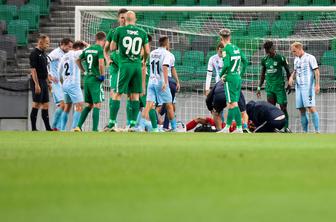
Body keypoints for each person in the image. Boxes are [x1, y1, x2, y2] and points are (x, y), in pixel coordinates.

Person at [108, 11, 150, 131]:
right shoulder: (142, 32)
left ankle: (111, 124)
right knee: (135, 95)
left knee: (117, 93)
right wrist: (144, 61)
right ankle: (132, 125)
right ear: (135, 19)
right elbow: (147, 51)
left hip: (125, 65)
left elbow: (112, 48)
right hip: (137, 65)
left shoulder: (119, 31)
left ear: (124, 19)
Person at [142, 36, 177, 132]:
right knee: (169, 105)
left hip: (151, 82)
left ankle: (146, 127)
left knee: (150, 105)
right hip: (161, 82)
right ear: (166, 43)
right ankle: (174, 128)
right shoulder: (168, 54)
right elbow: (165, 67)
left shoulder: (152, 53)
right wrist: (165, 82)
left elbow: (146, 65)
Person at [217, 28, 248, 133]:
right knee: (230, 103)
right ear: (230, 37)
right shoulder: (237, 48)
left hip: (230, 78)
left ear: (221, 38)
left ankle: (239, 127)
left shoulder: (226, 49)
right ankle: (227, 127)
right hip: (237, 77)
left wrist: (221, 75)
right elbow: (245, 61)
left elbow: (226, 65)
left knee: (233, 103)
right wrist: (241, 74)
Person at [74, 32, 106, 132]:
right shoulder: (100, 49)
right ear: (103, 40)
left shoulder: (88, 49)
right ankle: (95, 129)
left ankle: (78, 126)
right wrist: (102, 75)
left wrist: (83, 71)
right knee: (97, 104)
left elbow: (77, 60)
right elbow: (101, 64)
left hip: (87, 79)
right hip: (95, 79)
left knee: (89, 105)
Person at [257, 40, 291, 132]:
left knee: (283, 108)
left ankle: (286, 127)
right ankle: (273, 128)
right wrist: (259, 87)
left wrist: (290, 83)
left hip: (279, 88)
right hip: (270, 88)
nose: (269, 51)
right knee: (271, 109)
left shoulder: (281, 58)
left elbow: (288, 71)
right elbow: (263, 74)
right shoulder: (264, 60)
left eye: (270, 49)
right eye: (267, 50)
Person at [289, 42, 320, 133]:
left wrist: (317, 85)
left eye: (294, 51)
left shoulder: (310, 57)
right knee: (301, 109)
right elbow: (295, 70)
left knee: (310, 107)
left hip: (308, 87)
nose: (293, 53)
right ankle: (305, 132)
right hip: (298, 87)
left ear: (299, 48)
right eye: (292, 52)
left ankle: (317, 131)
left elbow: (316, 71)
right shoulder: (296, 59)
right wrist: (291, 77)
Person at [104, 8, 128, 127]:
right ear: (118, 18)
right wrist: (108, 59)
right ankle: (112, 123)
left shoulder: (131, 32)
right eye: (122, 17)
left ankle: (131, 124)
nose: (124, 20)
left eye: (126, 17)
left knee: (132, 94)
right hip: (116, 66)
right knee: (114, 91)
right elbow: (105, 49)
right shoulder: (113, 32)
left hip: (128, 66)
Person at [58, 41, 88, 131]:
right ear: (79, 48)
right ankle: (74, 128)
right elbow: (91, 50)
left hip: (65, 84)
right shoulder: (76, 53)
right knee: (79, 105)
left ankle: (62, 129)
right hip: (73, 84)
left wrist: (63, 83)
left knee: (67, 107)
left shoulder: (64, 56)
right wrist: (86, 44)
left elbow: (59, 72)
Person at [48, 38, 73, 130]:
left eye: (71, 47)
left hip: (62, 83)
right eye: (68, 46)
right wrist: (49, 75)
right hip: (55, 82)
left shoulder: (66, 54)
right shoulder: (56, 52)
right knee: (63, 104)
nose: (70, 48)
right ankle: (55, 127)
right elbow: (45, 61)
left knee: (62, 106)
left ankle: (56, 128)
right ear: (63, 44)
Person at [29, 34, 52, 131]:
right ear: (41, 43)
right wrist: (37, 84)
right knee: (36, 104)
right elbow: (33, 70)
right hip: (37, 81)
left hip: (43, 81)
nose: (48, 45)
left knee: (45, 104)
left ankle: (48, 128)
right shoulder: (34, 53)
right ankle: (34, 128)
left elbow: (45, 70)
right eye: (47, 43)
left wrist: (48, 83)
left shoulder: (43, 54)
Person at [160, 47, 181, 130]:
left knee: (169, 105)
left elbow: (172, 68)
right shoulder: (170, 55)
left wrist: (178, 81)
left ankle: (164, 126)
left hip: (158, 81)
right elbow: (170, 69)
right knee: (168, 105)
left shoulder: (155, 54)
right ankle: (163, 125)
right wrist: (177, 82)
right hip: (166, 81)